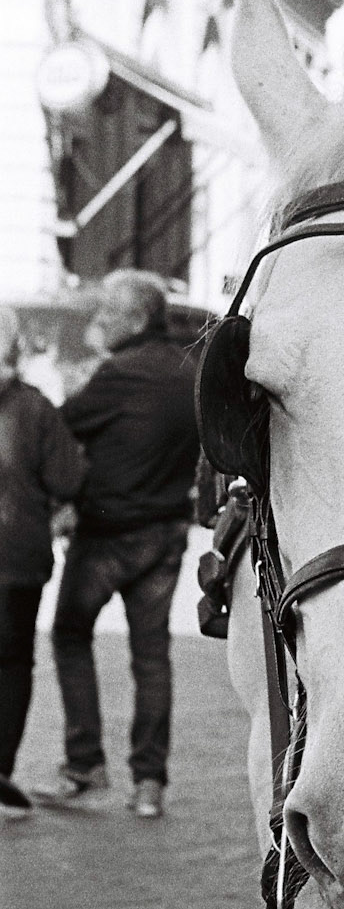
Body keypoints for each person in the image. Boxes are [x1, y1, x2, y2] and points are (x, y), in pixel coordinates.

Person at [31, 272, 200, 819]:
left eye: (107, 311)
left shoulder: (119, 373)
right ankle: (148, 783)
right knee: (151, 656)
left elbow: (59, 427)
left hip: (109, 534)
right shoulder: (186, 369)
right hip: (167, 530)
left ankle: (85, 764)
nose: (98, 319)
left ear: (134, 320)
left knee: (70, 634)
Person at [0, 307, 86, 817]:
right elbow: (67, 480)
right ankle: (1, 766)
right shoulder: (34, 408)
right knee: (10, 660)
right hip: (17, 556)